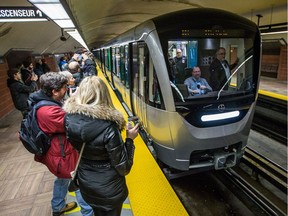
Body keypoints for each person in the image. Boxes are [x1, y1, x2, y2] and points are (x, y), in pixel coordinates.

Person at [63, 76, 139, 216]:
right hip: (109, 188)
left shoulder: (68, 119)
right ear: (104, 94)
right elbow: (124, 168)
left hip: (86, 182)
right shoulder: (109, 126)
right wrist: (129, 140)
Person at [29, 72, 78, 216]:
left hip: (59, 152)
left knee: (62, 179)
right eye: (64, 88)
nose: (66, 90)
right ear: (54, 91)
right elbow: (73, 124)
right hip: (62, 154)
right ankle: (88, 212)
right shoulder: (49, 112)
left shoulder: (44, 100)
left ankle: (57, 207)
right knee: (79, 183)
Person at [58, 70, 94, 216]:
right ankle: (88, 212)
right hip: (93, 173)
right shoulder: (104, 124)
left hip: (78, 161)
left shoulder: (69, 117)